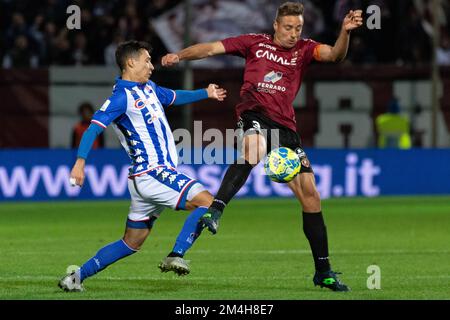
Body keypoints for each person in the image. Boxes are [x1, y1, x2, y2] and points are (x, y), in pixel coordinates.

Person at [162, 2, 363, 292]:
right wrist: (178, 55)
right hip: (254, 114)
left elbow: (334, 55)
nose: (294, 33)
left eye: (298, 28)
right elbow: (210, 48)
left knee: (311, 197)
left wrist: (345, 32)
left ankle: (323, 271)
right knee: (253, 150)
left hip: (286, 129)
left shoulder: (304, 49)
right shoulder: (254, 43)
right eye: (288, 27)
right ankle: (215, 210)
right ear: (276, 25)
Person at [58, 40, 226, 292]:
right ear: (131, 62)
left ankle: (76, 277)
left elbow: (174, 97)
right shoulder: (120, 97)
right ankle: (176, 253)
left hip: (147, 179)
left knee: (131, 242)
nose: (151, 66)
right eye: (147, 60)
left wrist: (206, 92)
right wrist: (79, 163)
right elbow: (93, 128)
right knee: (207, 203)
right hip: (152, 172)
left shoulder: (149, 89)